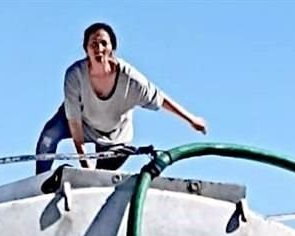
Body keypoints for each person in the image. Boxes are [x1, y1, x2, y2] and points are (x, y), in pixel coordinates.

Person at [35, 22, 208, 175]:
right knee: (48, 136)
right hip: (83, 124)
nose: (99, 49)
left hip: (115, 136)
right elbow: (74, 123)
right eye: (93, 44)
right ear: (86, 49)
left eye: (103, 43)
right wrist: (84, 161)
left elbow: (160, 99)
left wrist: (191, 119)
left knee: (101, 174)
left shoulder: (129, 78)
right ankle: (39, 183)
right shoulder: (74, 76)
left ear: (112, 48)